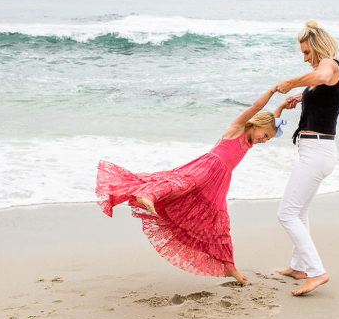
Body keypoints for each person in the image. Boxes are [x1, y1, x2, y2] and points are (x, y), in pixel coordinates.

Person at [95, 87, 292, 285]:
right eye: (265, 136)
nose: (264, 141)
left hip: (219, 182)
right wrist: (274, 91)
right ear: (256, 125)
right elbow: (258, 107)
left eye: (267, 139)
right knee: (182, 184)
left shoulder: (251, 138)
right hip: (207, 167)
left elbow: (271, 120)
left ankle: (229, 267)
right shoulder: (238, 128)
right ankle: (148, 195)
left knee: (218, 222)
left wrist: (282, 106)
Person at [275, 20, 339, 296]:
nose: (305, 59)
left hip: (317, 152)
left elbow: (320, 76)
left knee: (286, 214)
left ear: (317, 48)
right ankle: (299, 267)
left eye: (306, 53)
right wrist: (300, 97)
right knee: (299, 212)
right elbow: (321, 90)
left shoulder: (330, 65)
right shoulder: (322, 74)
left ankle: (316, 271)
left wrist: (290, 82)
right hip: (316, 151)